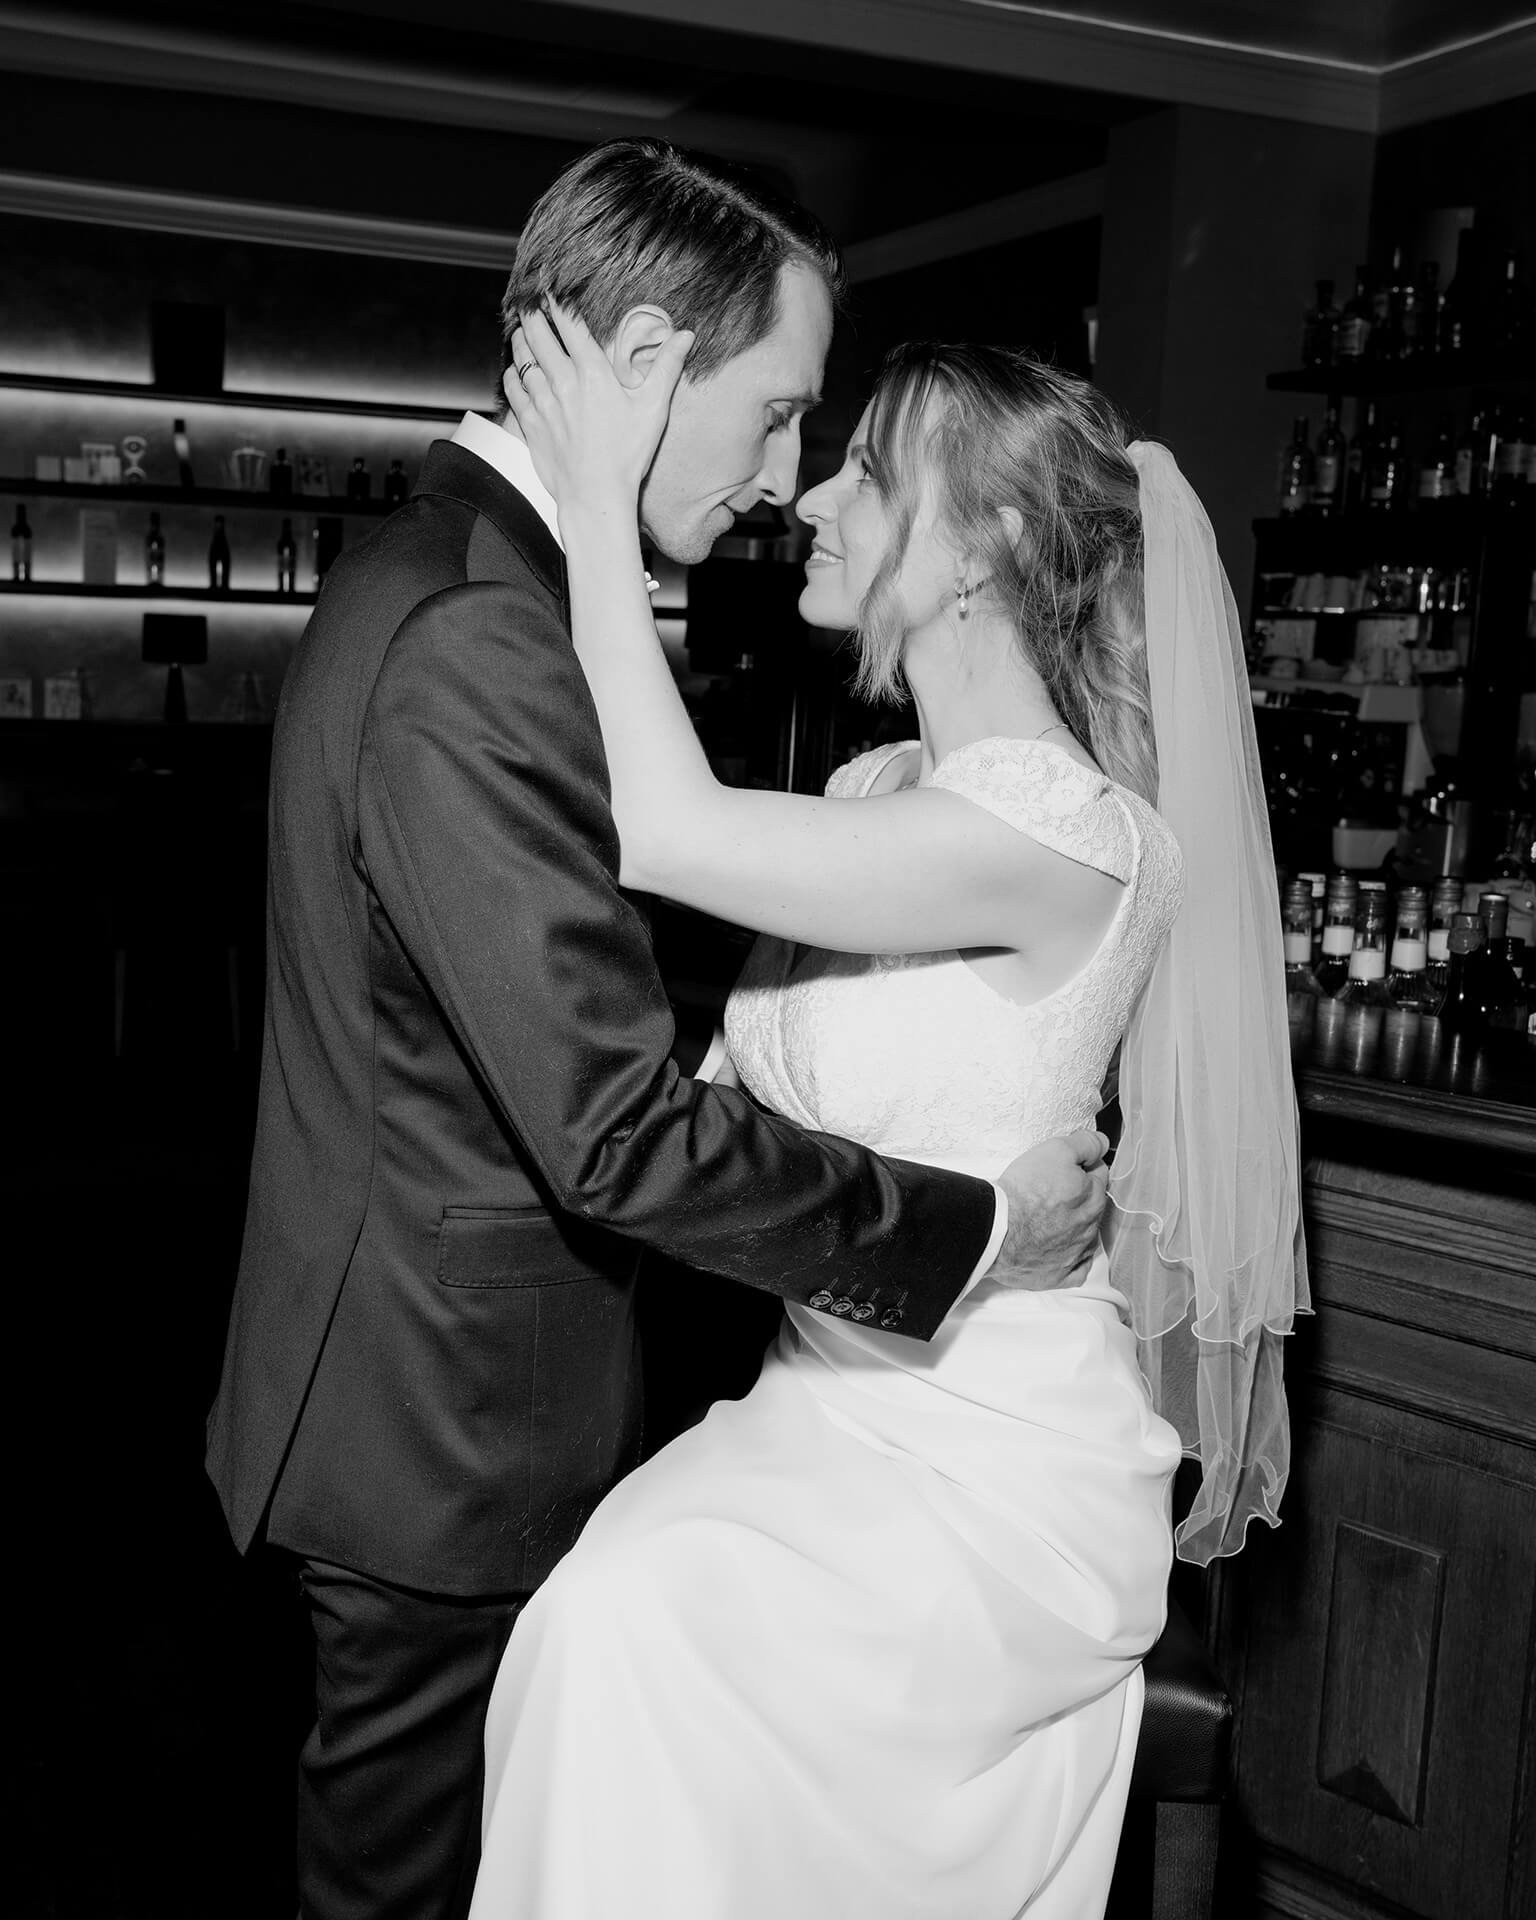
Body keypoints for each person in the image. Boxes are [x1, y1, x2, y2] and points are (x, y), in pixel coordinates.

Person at [204, 140, 1114, 1920]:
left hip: (426, 1391)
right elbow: (610, 1128)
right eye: (776, 414)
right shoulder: (484, 628)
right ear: (635, 369)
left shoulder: (453, 572)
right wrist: (983, 1222)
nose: (788, 481)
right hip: (440, 1432)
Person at [468, 315, 1308, 1917]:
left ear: (981, 547)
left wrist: (590, 497)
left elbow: (660, 823)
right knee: (596, 1626)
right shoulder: (875, 795)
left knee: (626, 1626)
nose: (817, 499)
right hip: (815, 1413)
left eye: (868, 468)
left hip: (986, 1470)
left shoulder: (1075, 839)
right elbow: (708, 1109)